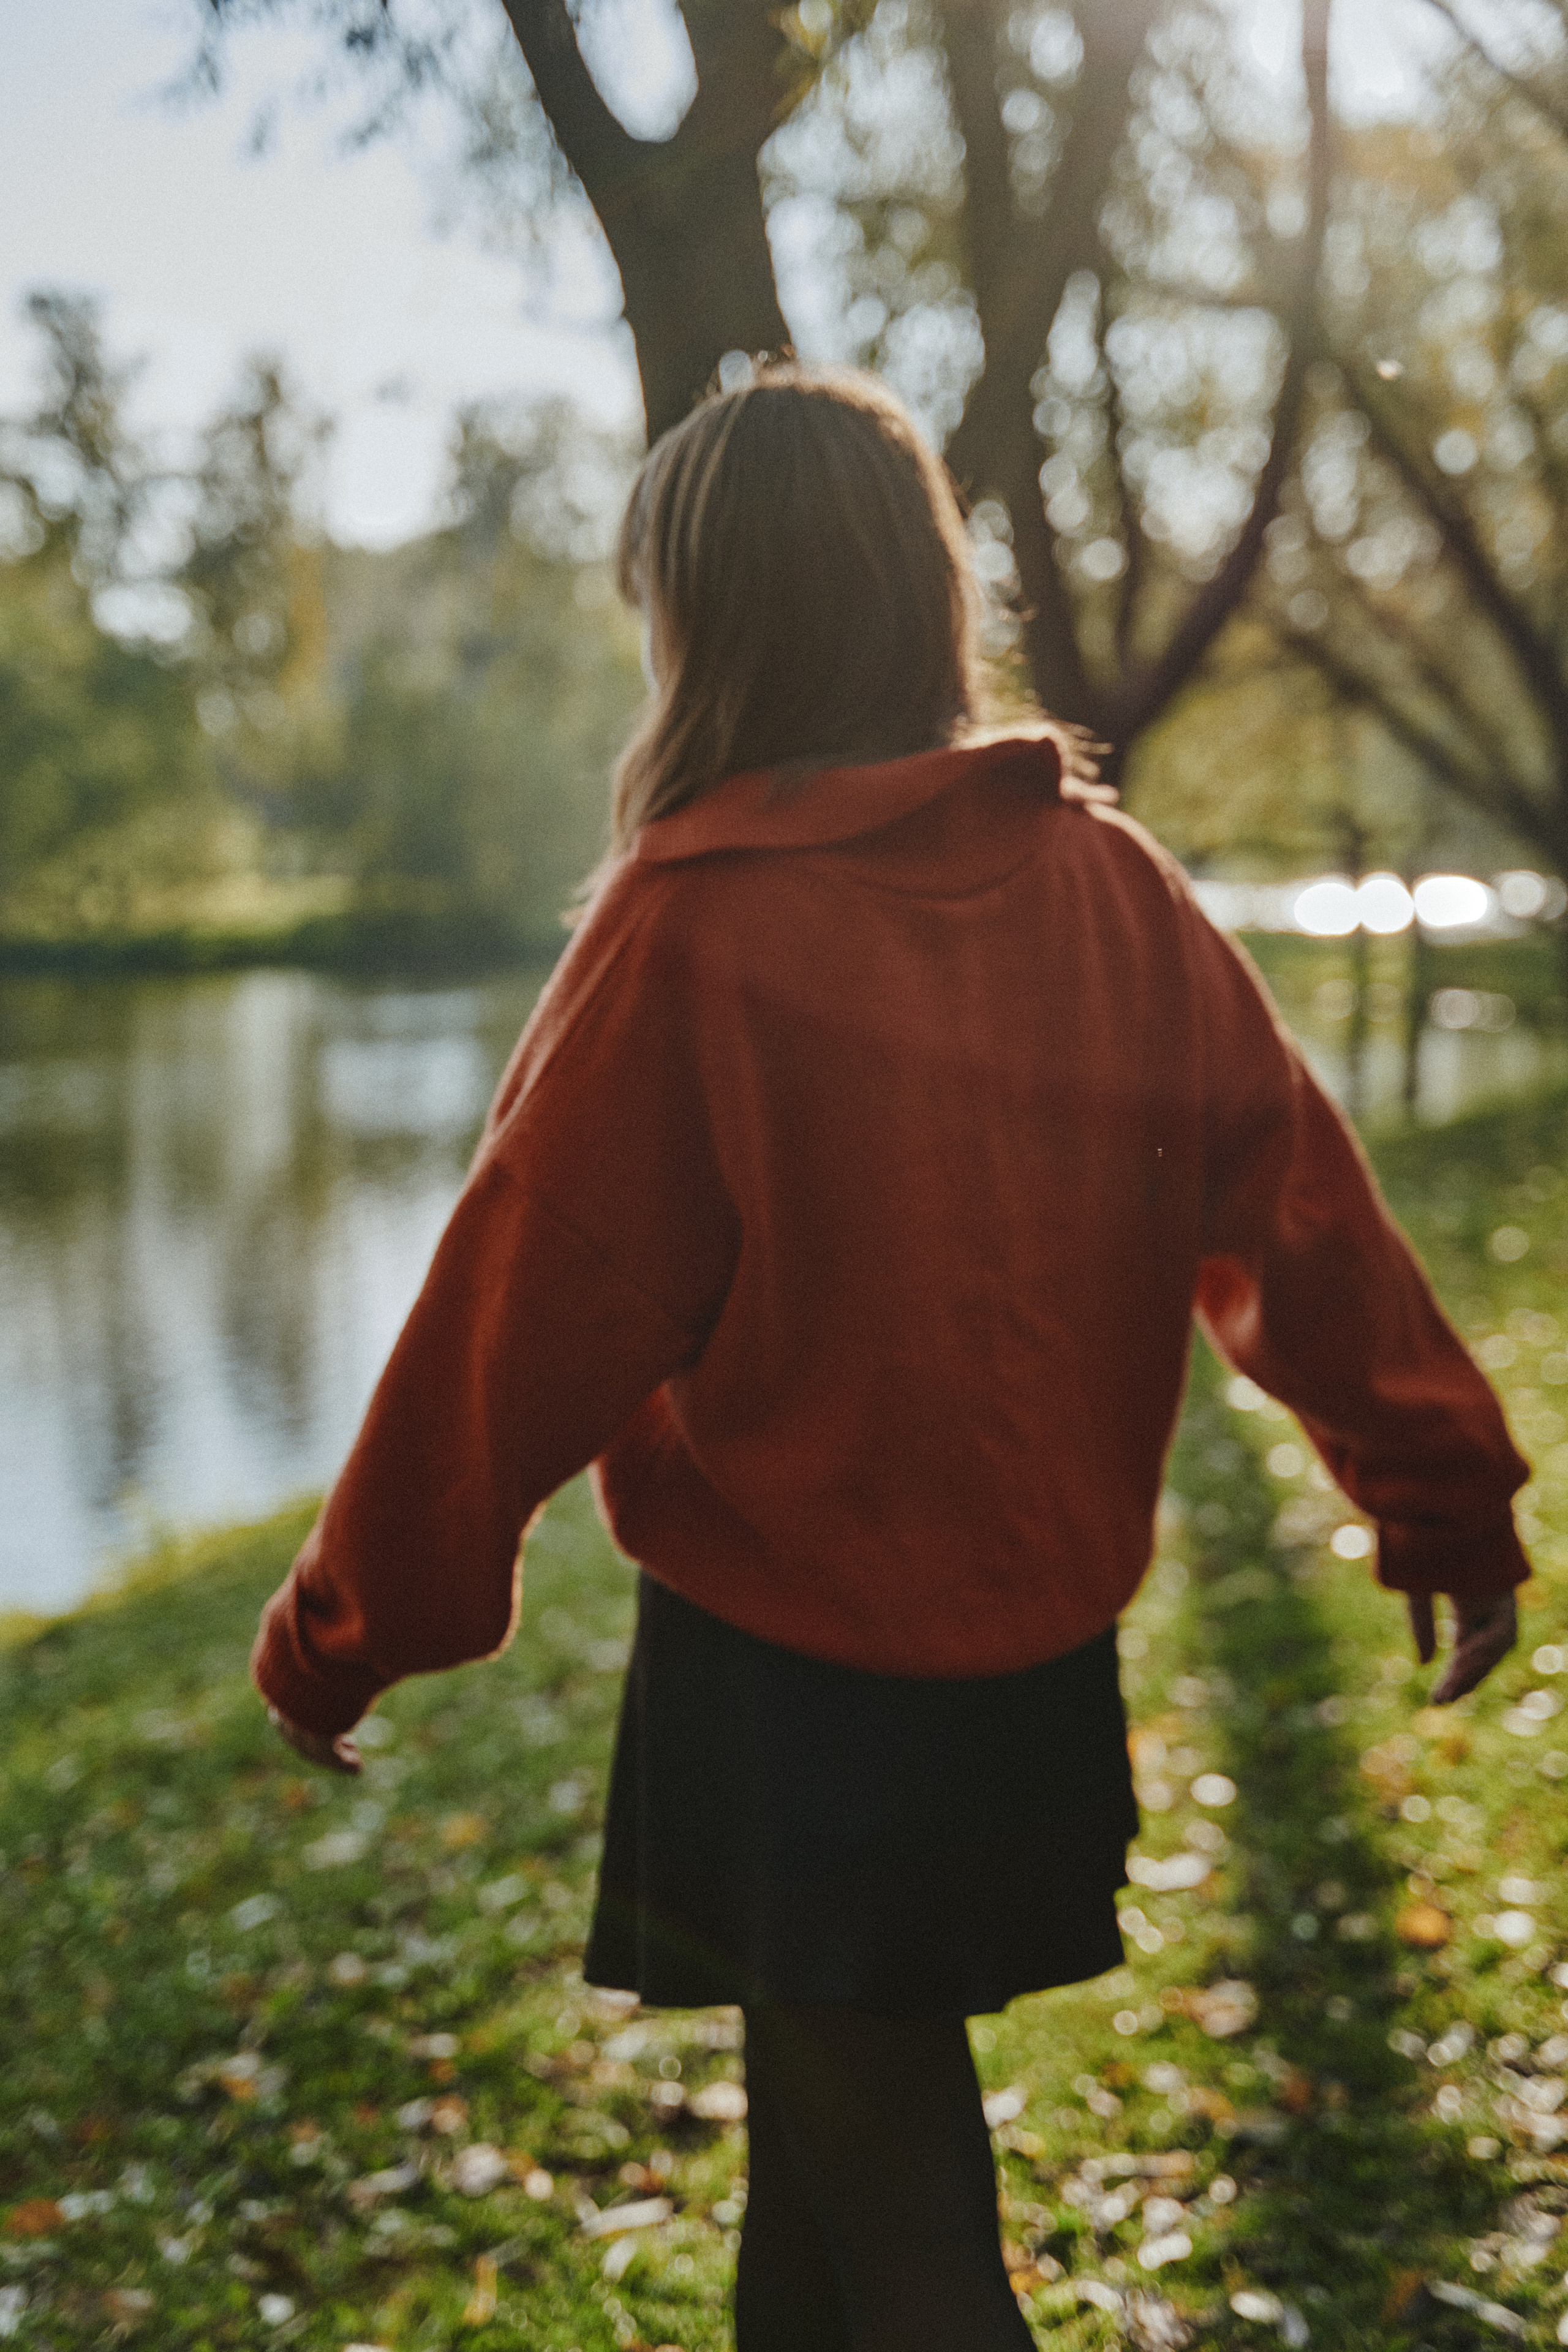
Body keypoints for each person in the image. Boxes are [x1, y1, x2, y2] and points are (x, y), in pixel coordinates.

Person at [254, 362, 1527, 2350]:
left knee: (916, 2242)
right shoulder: (1107, 886)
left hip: (791, 1689)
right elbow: (1300, 1207)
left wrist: (352, 1616)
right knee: (815, 2201)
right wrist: (1438, 1490)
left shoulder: (695, 933)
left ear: (703, 622)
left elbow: (518, 1307)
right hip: (1022, 1670)